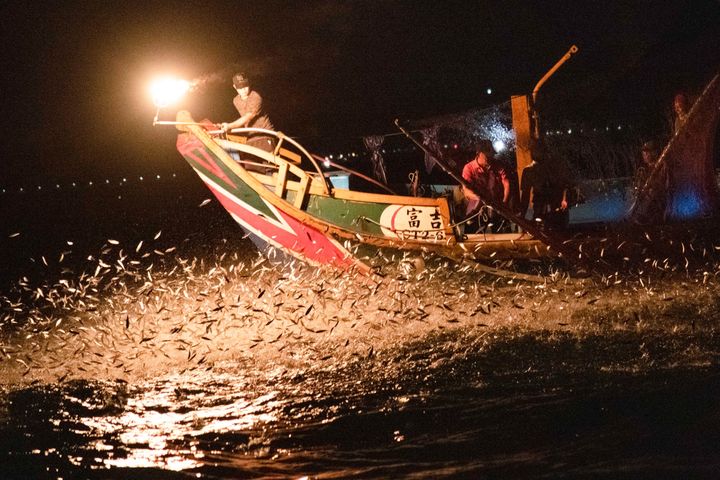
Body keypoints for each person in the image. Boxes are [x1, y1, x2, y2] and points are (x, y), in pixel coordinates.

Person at [519, 139, 572, 230]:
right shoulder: (531, 170)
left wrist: (522, 216)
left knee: (551, 232)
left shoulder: (530, 170)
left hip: (553, 208)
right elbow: (525, 196)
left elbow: (525, 196)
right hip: (548, 209)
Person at [461, 139, 510, 231]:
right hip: (476, 204)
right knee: (471, 228)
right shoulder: (469, 168)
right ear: (479, 153)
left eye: (491, 155)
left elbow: (506, 184)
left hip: (496, 204)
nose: (489, 158)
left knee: (500, 227)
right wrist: (479, 198)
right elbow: (466, 190)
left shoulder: (498, 165)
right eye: (487, 156)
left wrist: (504, 202)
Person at [220, 73, 275, 153]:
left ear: (249, 83)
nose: (243, 90)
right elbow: (244, 120)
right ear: (234, 87)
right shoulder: (236, 101)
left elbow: (248, 116)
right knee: (249, 164)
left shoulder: (256, 97)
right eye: (239, 87)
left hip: (264, 136)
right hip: (251, 138)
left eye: (245, 86)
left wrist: (229, 126)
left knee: (266, 163)